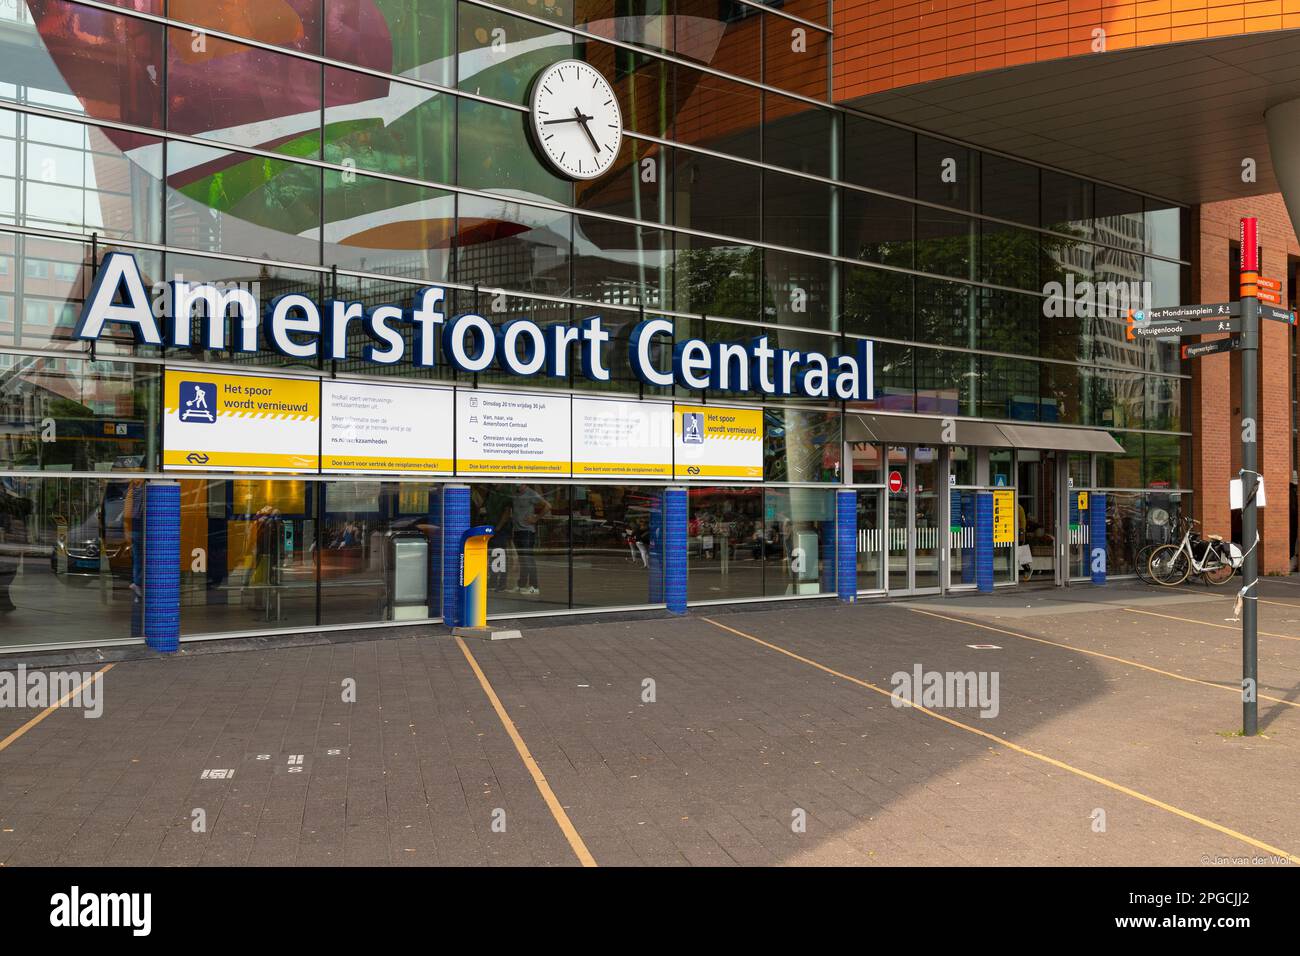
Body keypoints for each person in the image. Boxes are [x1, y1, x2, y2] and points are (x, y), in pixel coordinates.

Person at [510, 484, 549, 595]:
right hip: (517, 530)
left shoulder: (531, 493)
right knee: (523, 559)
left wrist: (536, 518)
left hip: (527, 531)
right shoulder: (515, 494)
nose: (516, 482)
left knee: (528, 559)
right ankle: (521, 585)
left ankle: (534, 586)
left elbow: (547, 506)